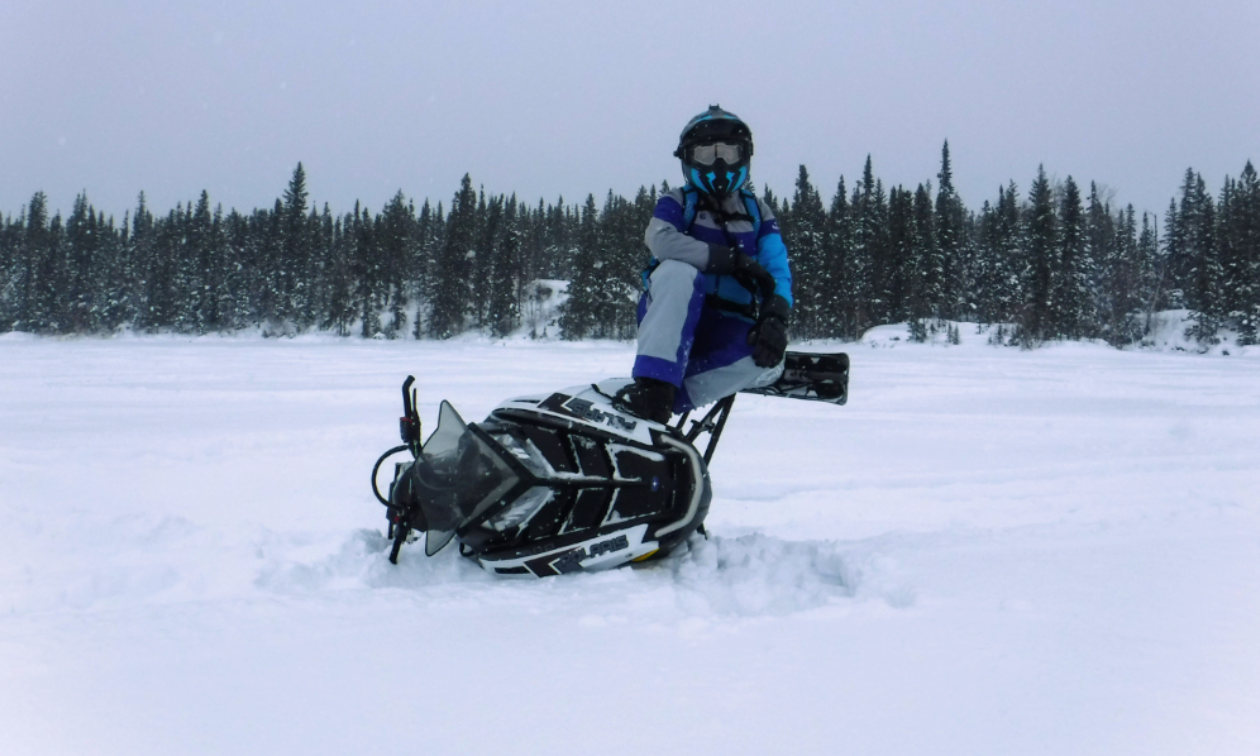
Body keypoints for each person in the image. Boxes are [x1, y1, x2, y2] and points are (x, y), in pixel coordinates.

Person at [613, 105, 793, 424]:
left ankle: (665, 395)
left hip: (727, 325)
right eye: (707, 154)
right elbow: (662, 241)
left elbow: (777, 269)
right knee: (676, 270)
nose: (719, 163)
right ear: (689, 159)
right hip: (671, 316)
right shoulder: (679, 201)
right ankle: (656, 382)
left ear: (744, 157)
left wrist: (775, 317)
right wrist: (731, 261)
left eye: (727, 153)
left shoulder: (758, 212)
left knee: (770, 360)